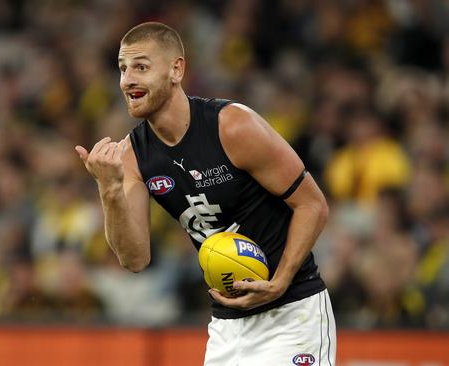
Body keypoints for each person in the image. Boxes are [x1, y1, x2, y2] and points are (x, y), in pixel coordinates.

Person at [75, 22, 336, 365]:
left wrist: (281, 279)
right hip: (226, 329)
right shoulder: (134, 156)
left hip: (291, 314)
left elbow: (312, 204)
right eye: (123, 69)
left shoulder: (232, 126)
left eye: (141, 67)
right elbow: (134, 259)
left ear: (176, 69)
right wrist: (109, 189)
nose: (127, 80)